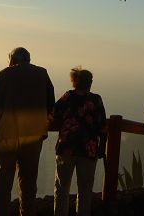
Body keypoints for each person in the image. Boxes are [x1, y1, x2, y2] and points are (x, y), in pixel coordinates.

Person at [0, 47, 55, 216]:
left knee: (2, 184)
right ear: (29, 59)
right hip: (33, 136)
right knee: (29, 182)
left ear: (12, 60)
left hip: (6, 135)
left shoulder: (4, 74)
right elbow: (51, 102)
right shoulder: (42, 74)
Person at [52, 67, 107, 216]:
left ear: (75, 81)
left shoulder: (68, 97)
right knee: (85, 189)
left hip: (66, 147)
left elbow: (54, 113)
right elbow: (102, 126)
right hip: (88, 149)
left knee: (62, 188)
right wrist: (102, 148)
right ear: (89, 83)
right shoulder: (96, 99)